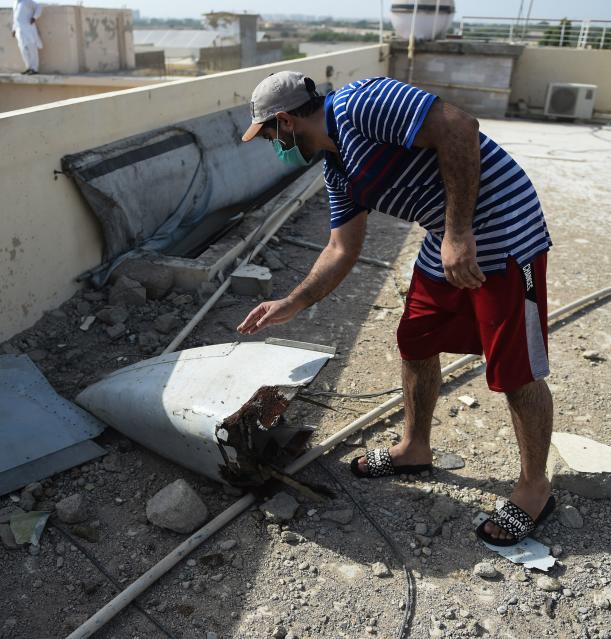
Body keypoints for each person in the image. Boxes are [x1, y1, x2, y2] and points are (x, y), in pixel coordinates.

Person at [237, 71, 555, 546]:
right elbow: (341, 249)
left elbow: (460, 127)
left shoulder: (359, 105)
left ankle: (535, 488)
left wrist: (459, 233)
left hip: (504, 226)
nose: (273, 146)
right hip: (446, 234)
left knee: (515, 368)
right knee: (416, 338)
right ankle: (414, 447)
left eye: (269, 136)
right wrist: (292, 302)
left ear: (285, 121)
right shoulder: (338, 168)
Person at [12, 0, 43, 75]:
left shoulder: (27, 1)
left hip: (28, 28)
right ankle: (28, 68)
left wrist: (34, 17)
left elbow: (39, 7)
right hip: (19, 30)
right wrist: (13, 29)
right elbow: (15, 17)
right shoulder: (15, 3)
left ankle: (34, 69)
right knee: (23, 49)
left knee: (32, 48)